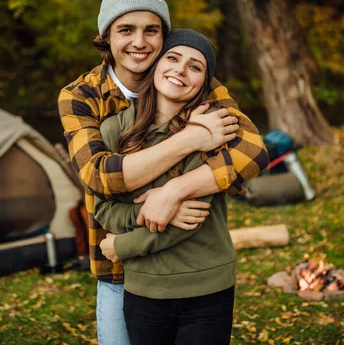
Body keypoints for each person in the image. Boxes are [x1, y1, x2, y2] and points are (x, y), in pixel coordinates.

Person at [58, 0, 268, 345]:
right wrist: (191, 138)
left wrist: (174, 192)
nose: (139, 42)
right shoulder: (81, 96)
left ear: (164, 36)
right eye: (126, 29)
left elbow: (252, 151)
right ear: (106, 35)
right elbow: (100, 177)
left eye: (151, 31)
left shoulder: (192, 80)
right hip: (117, 268)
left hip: (192, 274)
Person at [95, 29, 237, 344]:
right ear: (156, 64)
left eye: (195, 66)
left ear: (204, 81)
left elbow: (191, 220)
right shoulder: (113, 131)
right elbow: (103, 209)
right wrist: (154, 209)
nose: (180, 71)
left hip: (207, 287)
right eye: (172, 58)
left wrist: (122, 247)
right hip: (143, 289)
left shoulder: (210, 128)